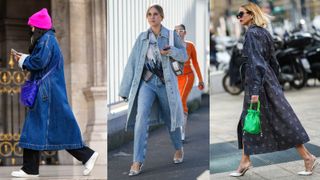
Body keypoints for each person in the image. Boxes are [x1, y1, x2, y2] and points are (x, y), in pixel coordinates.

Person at [230, 2, 318, 177]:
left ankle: (307, 156)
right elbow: (273, 61)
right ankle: (245, 160)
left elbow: (256, 64)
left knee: (280, 120)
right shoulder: (264, 32)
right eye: (237, 15)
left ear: (251, 14)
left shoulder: (252, 34)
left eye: (241, 14)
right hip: (267, 81)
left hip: (258, 83)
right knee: (251, 121)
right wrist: (274, 82)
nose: (238, 18)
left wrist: (255, 91)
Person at [11, 8, 99, 178]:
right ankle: (86, 155)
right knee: (58, 128)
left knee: (33, 127)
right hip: (49, 91)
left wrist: (23, 59)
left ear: (38, 27)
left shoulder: (46, 40)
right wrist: (25, 58)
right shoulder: (48, 40)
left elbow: (38, 62)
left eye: (33, 27)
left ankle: (30, 169)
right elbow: (40, 61)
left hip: (45, 93)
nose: (31, 30)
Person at [119, 4, 187, 176]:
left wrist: (171, 51)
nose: (152, 17)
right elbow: (132, 63)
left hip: (166, 84)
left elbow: (184, 56)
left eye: (155, 14)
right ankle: (137, 161)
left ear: (161, 17)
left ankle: (178, 148)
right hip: (146, 84)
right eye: (149, 14)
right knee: (141, 117)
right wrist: (125, 89)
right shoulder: (142, 38)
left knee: (170, 117)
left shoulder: (171, 36)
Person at [174, 24, 204, 142]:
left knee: (181, 100)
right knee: (178, 103)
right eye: (176, 31)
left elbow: (195, 63)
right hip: (175, 77)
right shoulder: (171, 46)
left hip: (187, 77)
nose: (179, 33)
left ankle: (181, 132)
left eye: (181, 31)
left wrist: (200, 79)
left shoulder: (190, 46)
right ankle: (180, 129)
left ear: (185, 33)